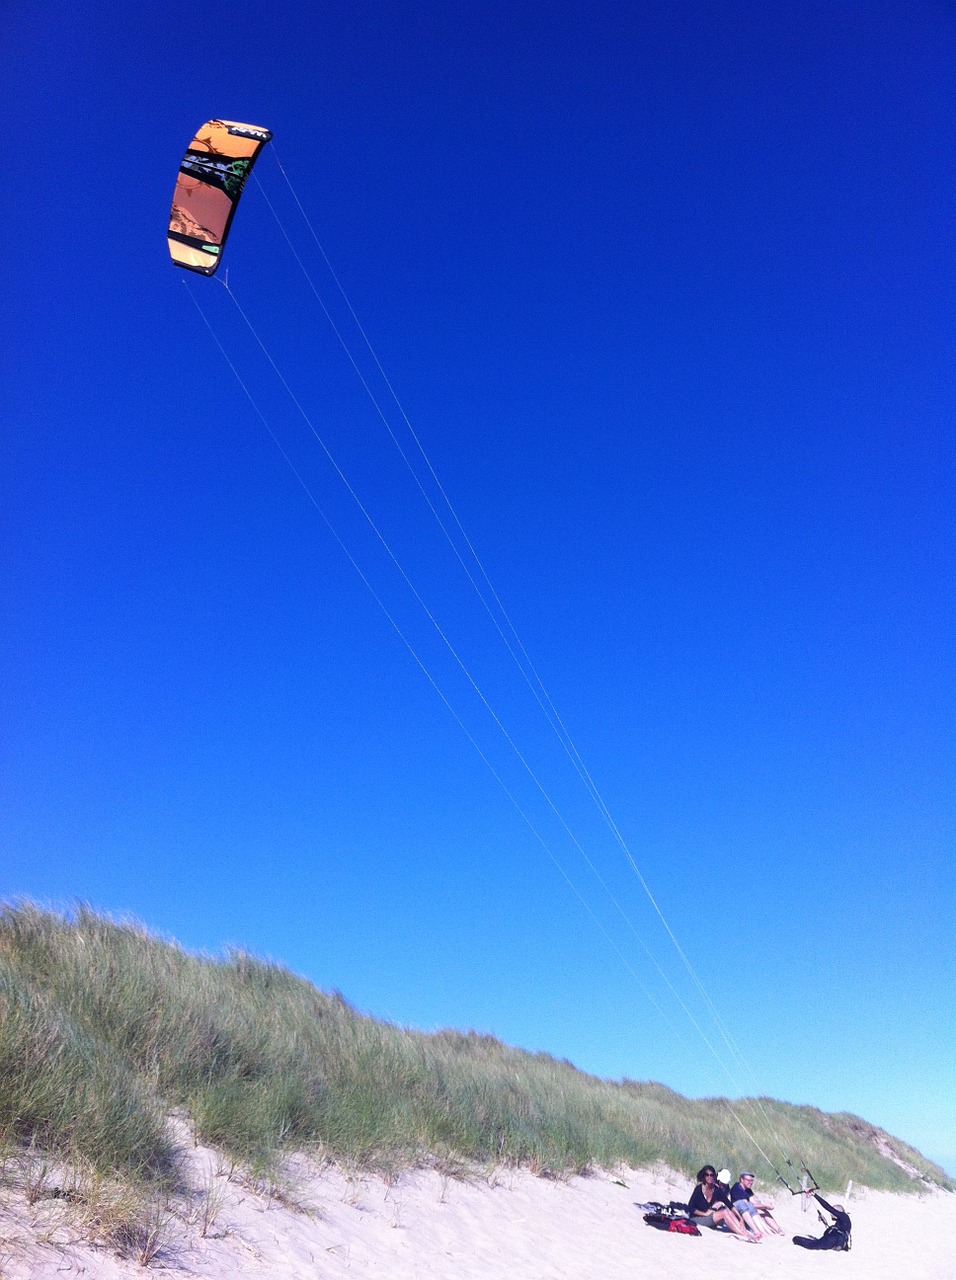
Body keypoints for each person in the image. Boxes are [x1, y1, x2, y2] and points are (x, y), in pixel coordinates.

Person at [687, 1166, 759, 1241]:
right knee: (724, 1213)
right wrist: (704, 1214)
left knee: (727, 1211)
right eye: (707, 1175)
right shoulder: (699, 1189)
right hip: (697, 1218)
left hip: (710, 1217)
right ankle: (744, 1235)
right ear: (703, 1176)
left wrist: (740, 1218)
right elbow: (690, 1207)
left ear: (715, 1176)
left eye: (711, 1175)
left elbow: (729, 1204)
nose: (709, 1177)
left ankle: (744, 1232)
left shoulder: (716, 1189)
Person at [730, 1171, 784, 1236]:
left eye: (752, 1181)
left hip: (747, 1210)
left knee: (763, 1210)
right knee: (760, 1209)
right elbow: (748, 1204)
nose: (750, 1182)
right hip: (739, 1213)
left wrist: (764, 1205)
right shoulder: (737, 1188)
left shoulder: (748, 1190)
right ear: (742, 1180)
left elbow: (754, 1201)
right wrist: (764, 1205)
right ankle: (762, 1231)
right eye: (748, 1180)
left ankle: (777, 1229)